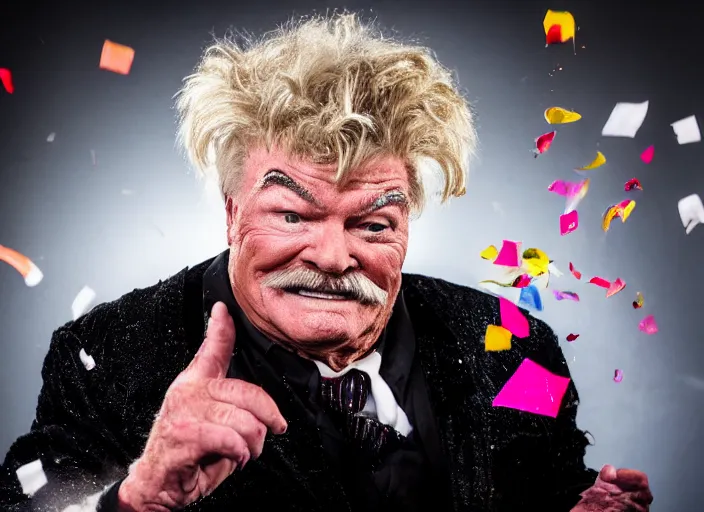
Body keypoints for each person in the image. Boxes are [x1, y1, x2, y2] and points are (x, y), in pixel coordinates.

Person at [0, 12, 652, 512]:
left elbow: (548, 478)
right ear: (231, 212)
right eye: (293, 215)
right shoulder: (106, 352)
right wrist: (135, 500)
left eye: (371, 224)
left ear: (407, 223)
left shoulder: (513, 346)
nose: (334, 257)